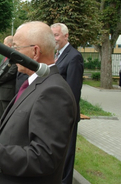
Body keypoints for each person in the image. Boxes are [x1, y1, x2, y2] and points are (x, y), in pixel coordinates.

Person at [0, 21, 77, 184]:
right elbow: (28, 134)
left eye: (16, 47)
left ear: (35, 51)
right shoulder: (37, 82)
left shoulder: (53, 91)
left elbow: (44, 159)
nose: (11, 52)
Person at [51, 23, 84, 184]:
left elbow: (73, 91)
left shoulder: (74, 56)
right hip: (54, 113)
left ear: (66, 36)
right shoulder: (56, 55)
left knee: (67, 154)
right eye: (52, 35)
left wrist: (64, 115)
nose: (54, 38)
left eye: (56, 35)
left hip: (66, 115)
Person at [0, 36, 18, 118]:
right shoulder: (6, 56)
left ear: (10, 45)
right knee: (1, 116)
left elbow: (10, 73)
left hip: (7, 93)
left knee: (6, 116)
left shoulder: (15, 57)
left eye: (5, 44)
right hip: (0, 92)